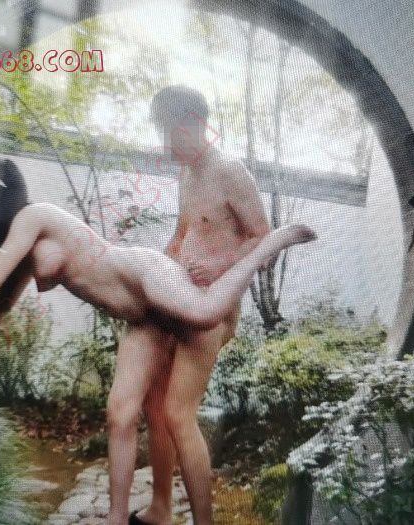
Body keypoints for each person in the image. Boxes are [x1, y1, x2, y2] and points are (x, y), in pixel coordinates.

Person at [0, 168, 315, 347]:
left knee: (205, 314)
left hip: (141, 271)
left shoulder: (34, 215)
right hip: (140, 306)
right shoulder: (22, 240)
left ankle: (271, 243)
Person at [107, 85, 272, 525]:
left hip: (211, 311)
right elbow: (183, 236)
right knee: (155, 406)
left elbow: (263, 238)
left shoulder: (231, 172)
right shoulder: (187, 174)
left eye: (169, 133)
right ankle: (161, 507)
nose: (165, 146)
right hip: (177, 301)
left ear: (194, 124)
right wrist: (151, 274)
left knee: (179, 414)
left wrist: (218, 268)